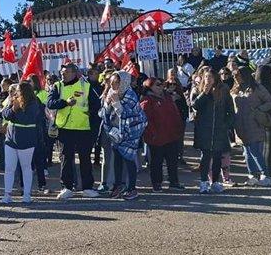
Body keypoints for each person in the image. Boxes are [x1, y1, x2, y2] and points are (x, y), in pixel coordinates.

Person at [47, 62, 100, 200]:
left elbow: (96, 106)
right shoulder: (57, 86)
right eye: (61, 73)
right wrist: (65, 102)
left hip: (83, 128)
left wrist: (90, 117)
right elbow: (50, 103)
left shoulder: (85, 86)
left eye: (65, 73)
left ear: (74, 73)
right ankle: (67, 187)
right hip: (64, 129)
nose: (62, 75)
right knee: (66, 159)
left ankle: (87, 187)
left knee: (85, 158)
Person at [100, 71, 148, 200]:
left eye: (116, 83)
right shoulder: (111, 93)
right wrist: (107, 103)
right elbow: (104, 113)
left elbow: (127, 114)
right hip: (116, 133)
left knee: (129, 158)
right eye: (112, 83)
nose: (113, 86)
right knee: (117, 159)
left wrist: (116, 103)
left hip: (131, 131)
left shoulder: (130, 95)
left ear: (124, 82)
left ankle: (132, 188)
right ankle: (118, 186)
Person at [231, 66, 271, 186]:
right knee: (246, 152)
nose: (235, 77)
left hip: (254, 123)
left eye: (237, 75)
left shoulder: (257, 88)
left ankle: (265, 174)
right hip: (240, 124)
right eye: (234, 75)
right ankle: (252, 175)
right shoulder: (235, 89)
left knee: (255, 150)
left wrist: (258, 110)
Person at [192, 70, 235, 193]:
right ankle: (203, 182)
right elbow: (195, 106)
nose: (208, 79)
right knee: (205, 157)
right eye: (206, 77)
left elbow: (230, 111)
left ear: (215, 78)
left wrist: (225, 124)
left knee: (217, 157)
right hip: (205, 130)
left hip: (219, 130)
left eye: (210, 76)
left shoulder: (223, 91)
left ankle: (215, 182)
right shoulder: (199, 90)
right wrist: (204, 93)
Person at [0, 82, 42, 204]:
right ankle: (7, 194)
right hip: (11, 140)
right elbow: (5, 114)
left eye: (18, 90)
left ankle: (27, 194)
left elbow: (26, 119)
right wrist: (13, 107)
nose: (16, 92)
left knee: (26, 168)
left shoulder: (34, 103)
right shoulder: (13, 101)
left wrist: (17, 110)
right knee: (9, 168)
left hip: (26, 140)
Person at [140, 78, 184, 191]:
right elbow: (146, 120)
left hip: (171, 135)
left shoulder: (167, 97)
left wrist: (178, 128)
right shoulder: (146, 100)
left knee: (172, 160)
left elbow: (175, 113)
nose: (161, 87)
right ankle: (157, 183)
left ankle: (174, 182)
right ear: (150, 87)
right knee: (156, 162)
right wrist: (152, 134)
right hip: (156, 138)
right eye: (157, 85)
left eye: (161, 84)